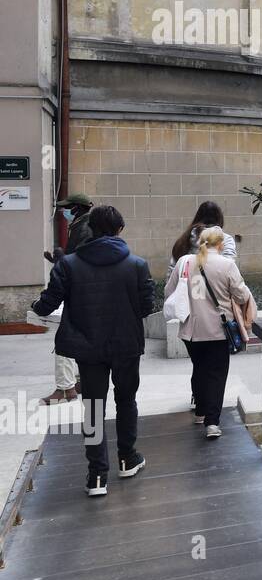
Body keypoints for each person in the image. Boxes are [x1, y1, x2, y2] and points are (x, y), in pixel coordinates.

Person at [31, 205, 153, 497]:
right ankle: (127, 458)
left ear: (91, 229)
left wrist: (36, 308)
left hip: (88, 347)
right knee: (126, 400)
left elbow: (48, 302)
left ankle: (97, 476)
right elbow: (147, 306)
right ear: (120, 230)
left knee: (94, 408)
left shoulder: (69, 264)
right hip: (126, 345)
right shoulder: (137, 265)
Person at [165, 225, 252, 440]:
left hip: (190, 329)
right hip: (218, 331)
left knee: (200, 368)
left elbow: (169, 291)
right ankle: (212, 422)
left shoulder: (185, 262)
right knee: (216, 375)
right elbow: (241, 296)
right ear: (221, 244)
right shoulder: (226, 264)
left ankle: (201, 410)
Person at [37, 192, 96, 405]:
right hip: (87, 292)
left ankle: (65, 388)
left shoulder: (84, 228)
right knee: (79, 338)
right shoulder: (84, 224)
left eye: (66, 208)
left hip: (79, 293)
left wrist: (62, 261)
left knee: (65, 340)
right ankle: (76, 382)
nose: (63, 211)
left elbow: (79, 262)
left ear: (77, 209)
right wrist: (60, 260)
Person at [169, 200, 236, 273]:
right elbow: (229, 269)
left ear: (197, 217)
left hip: (186, 283)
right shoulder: (226, 240)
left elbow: (172, 271)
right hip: (216, 283)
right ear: (219, 218)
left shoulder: (183, 240)